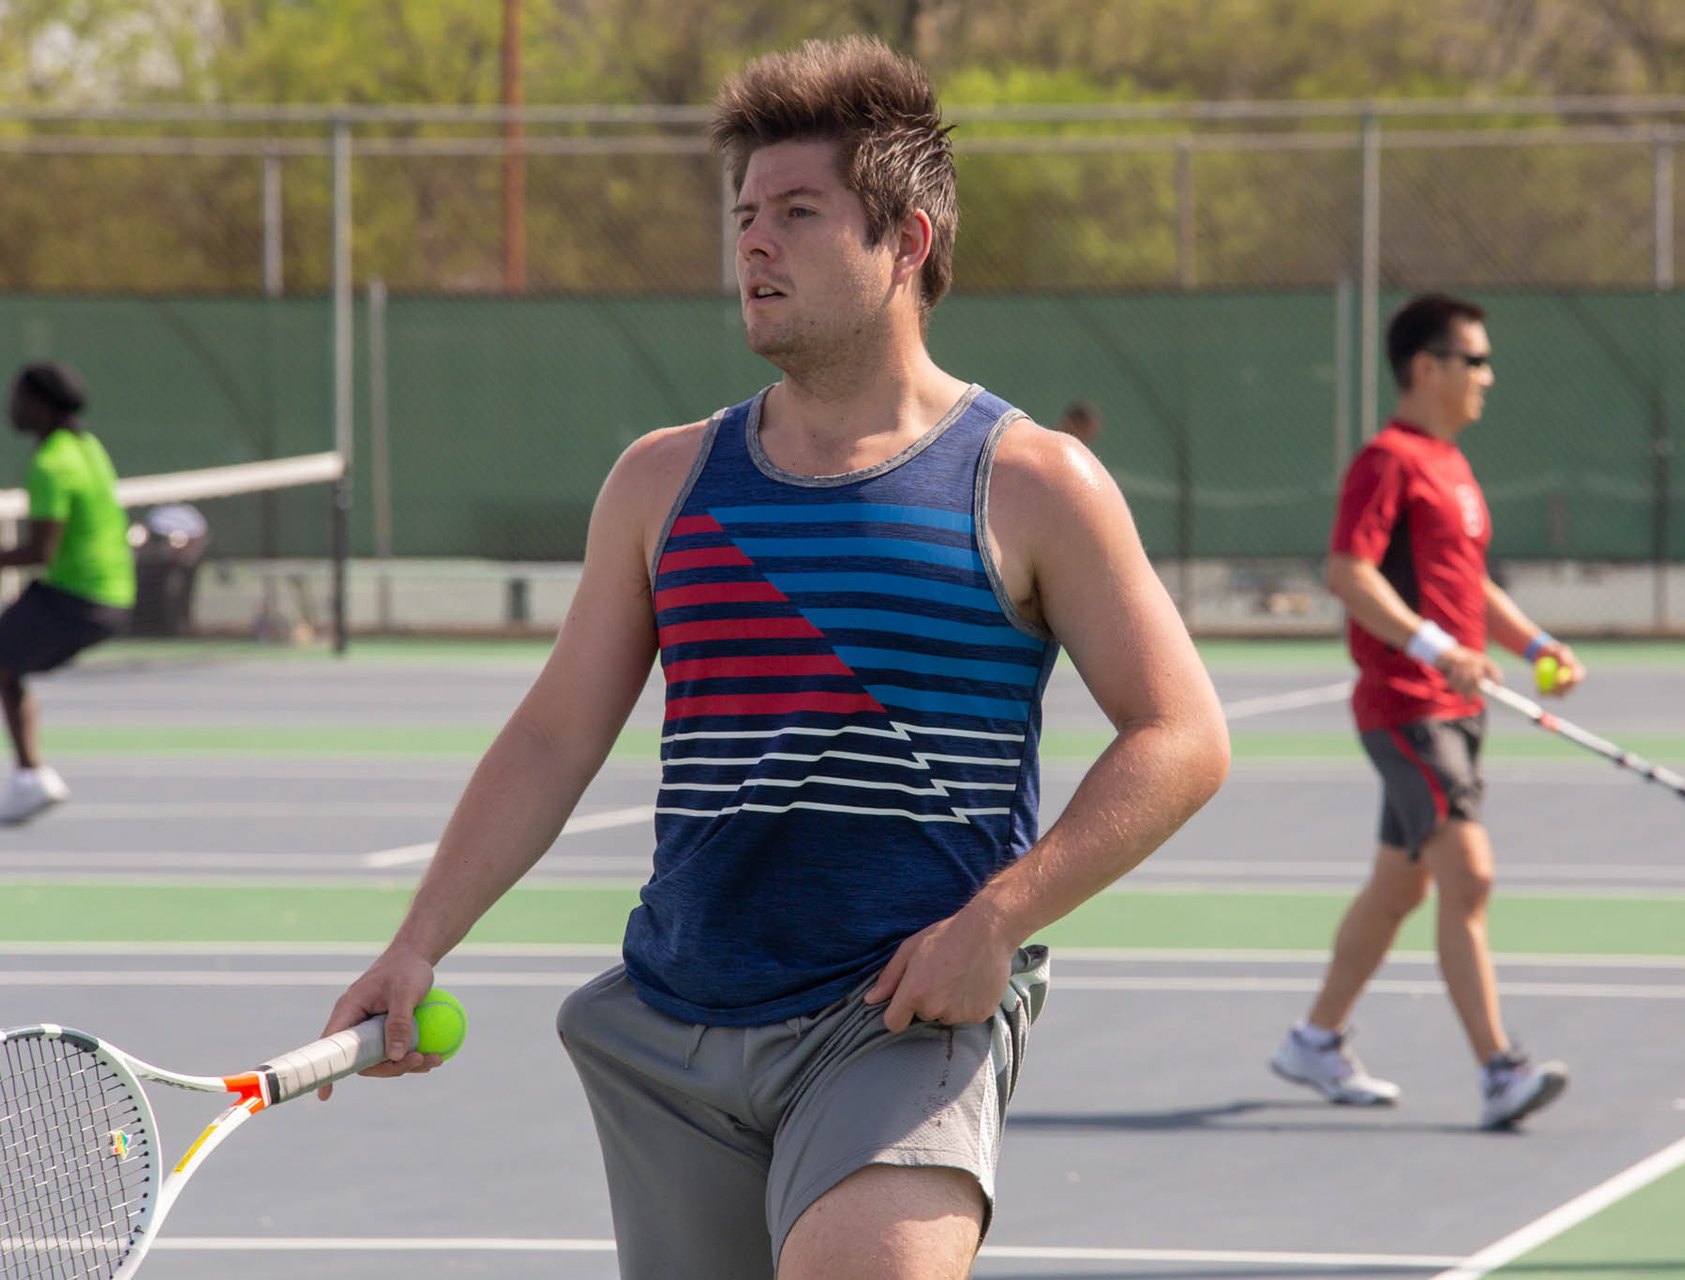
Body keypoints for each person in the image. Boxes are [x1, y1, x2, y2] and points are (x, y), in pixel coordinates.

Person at [320, 36, 1230, 1280]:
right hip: (674, 1031)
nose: (754, 243)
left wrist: (997, 922)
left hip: (895, 1017)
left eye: (798, 213)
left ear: (905, 242)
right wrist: (417, 940)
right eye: (745, 215)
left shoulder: (1029, 480)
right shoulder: (663, 479)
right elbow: (553, 734)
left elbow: (1182, 735)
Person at [1267, 293, 1583, 1131]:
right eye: (1474, 360)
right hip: (1409, 707)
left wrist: (1535, 645)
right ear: (1426, 368)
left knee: (1399, 886)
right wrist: (1435, 649)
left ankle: (1314, 1040)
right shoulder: (1387, 462)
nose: (1488, 376)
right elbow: (1348, 573)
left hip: (1459, 706)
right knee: (1468, 872)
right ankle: (1500, 1070)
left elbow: (1468, 587)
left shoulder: (1452, 465)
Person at [0, 362, 134, 823]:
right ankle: (30, 776)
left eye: (18, 398)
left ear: (40, 406)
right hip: (107, 593)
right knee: (6, 668)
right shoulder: (86, 446)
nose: (10, 408)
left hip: (80, 598)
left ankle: (30, 775)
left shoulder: (52, 464)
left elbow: (40, 550)